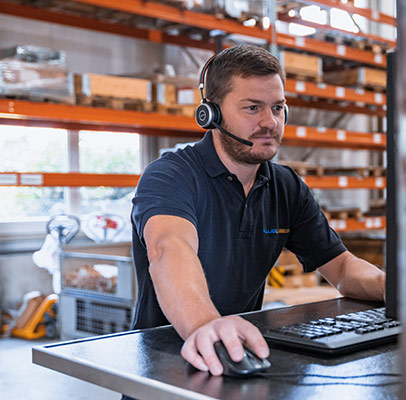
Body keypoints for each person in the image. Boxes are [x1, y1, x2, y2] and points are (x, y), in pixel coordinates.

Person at [130, 44, 385, 377]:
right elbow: (169, 249)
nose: (270, 122)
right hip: (168, 363)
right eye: (253, 108)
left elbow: (343, 268)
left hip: (242, 355)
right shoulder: (172, 175)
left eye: (278, 108)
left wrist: (393, 287)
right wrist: (207, 325)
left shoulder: (286, 187)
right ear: (212, 114)